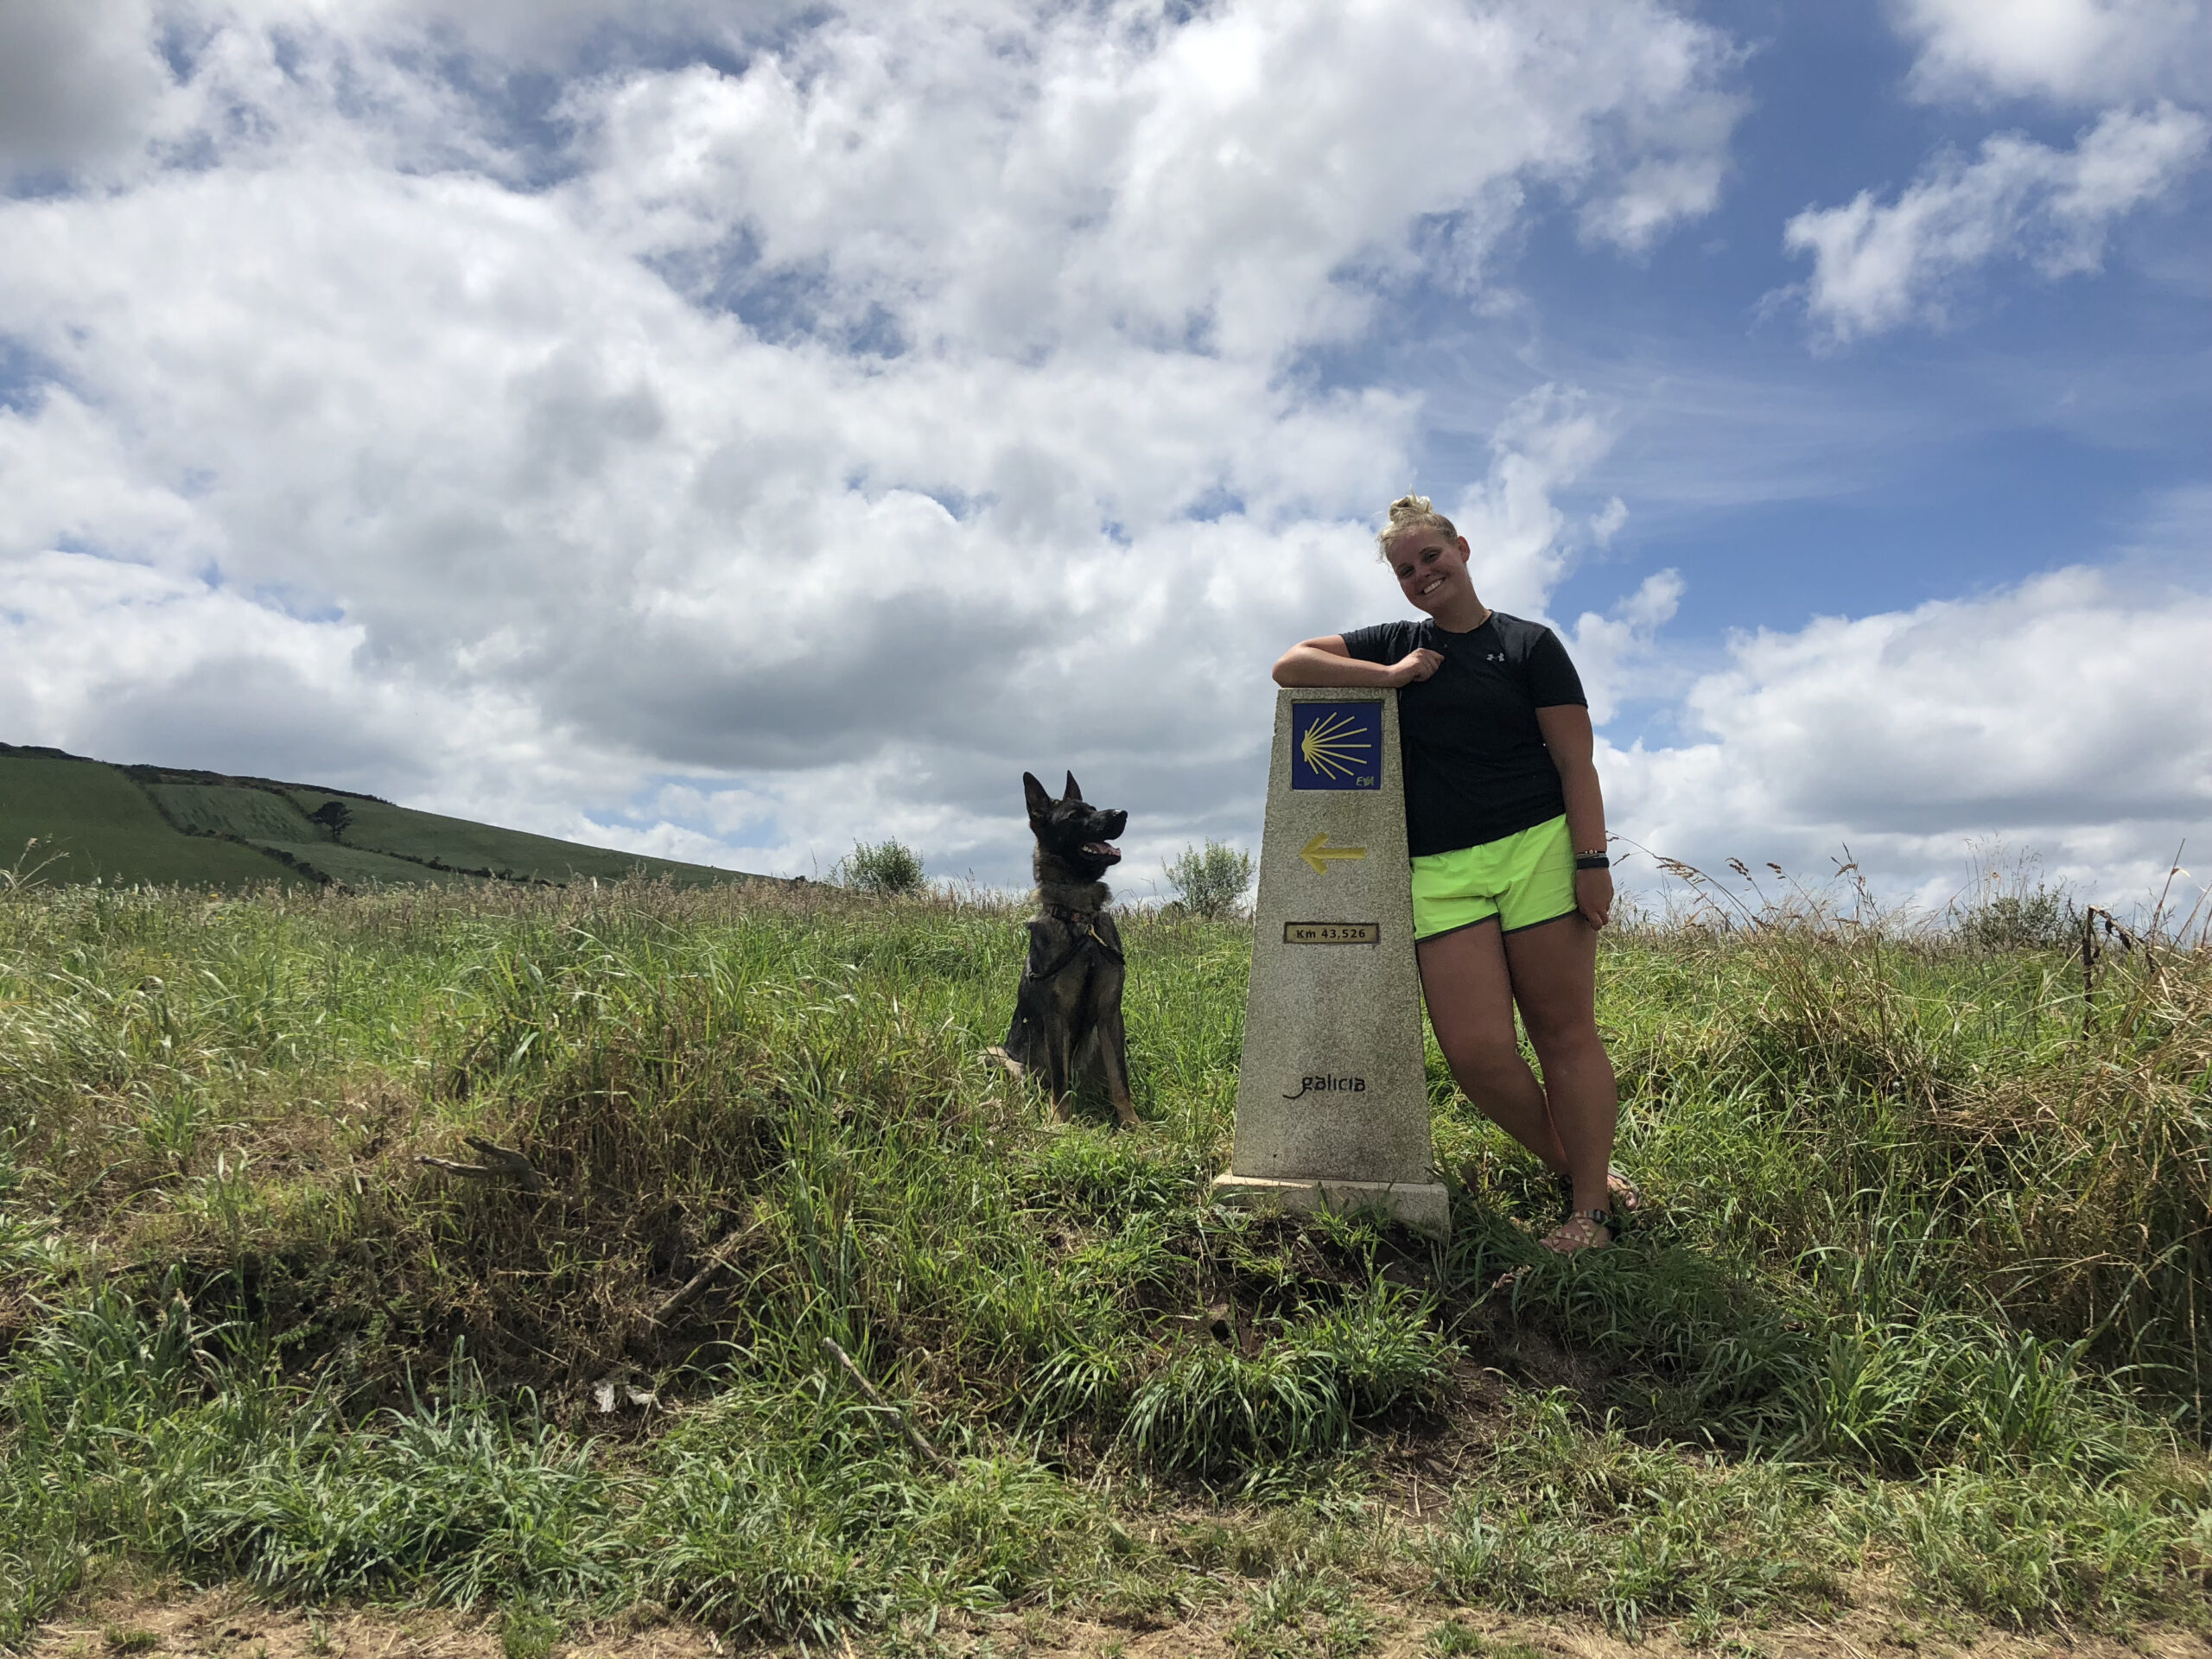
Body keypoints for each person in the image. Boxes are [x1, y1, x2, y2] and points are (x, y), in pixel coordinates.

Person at [1271, 494, 1630, 1254]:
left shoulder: (1531, 644)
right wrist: (1391, 676)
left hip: (1538, 850)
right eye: (1405, 570)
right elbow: (1290, 664)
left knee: (1563, 1034)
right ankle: (1575, 1166)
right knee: (1475, 1053)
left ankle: (1591, 1210)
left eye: (1430, 557)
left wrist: (1592, 861)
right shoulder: (1400, 641)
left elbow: (1576, 761)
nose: (1420, 575)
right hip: (1438, 870)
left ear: (1461, 549)